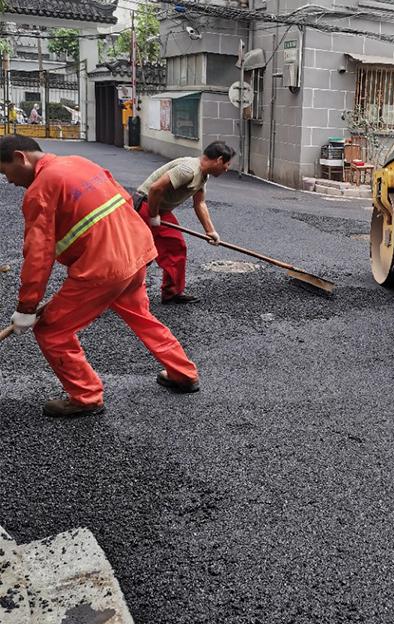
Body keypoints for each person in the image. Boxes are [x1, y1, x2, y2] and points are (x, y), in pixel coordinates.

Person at [1, 135, 200, 418]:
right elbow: (125, 200)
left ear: (20, 157)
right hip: (135, 252)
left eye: (4, 171)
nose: (8, 180)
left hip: (103, 267)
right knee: (141, 315)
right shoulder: (80, 163)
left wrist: (26, 307)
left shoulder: (40, 189)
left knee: (51, 330)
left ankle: (86, 396)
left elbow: (38, 254)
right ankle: (183, 373)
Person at [134, 141, 235, 305]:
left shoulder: (203, 175)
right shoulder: (188, 170)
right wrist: (153, 216)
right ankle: (120, 290)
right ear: (219, 160)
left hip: (159, 209)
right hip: (147, 205)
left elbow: (199, 203)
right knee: (144, 253)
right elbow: (155, 189)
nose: (227, 169)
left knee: (174, 247)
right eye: (227, 164)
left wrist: (211, 231)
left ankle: (171, 292)